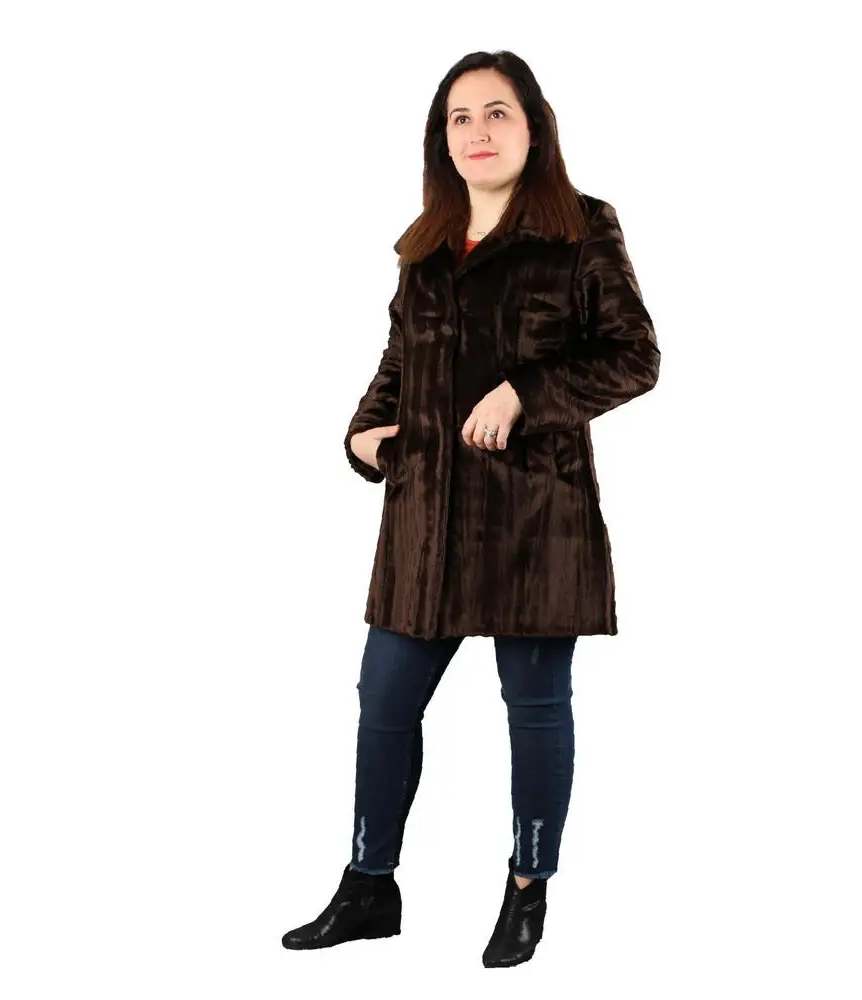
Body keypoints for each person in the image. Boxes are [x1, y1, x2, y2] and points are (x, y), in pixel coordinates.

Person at [281, 49, 660, 968]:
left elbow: (634, 357)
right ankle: (370, 885)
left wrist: (526, 393)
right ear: (441, 139)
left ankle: (528, 888)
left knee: (535, 706)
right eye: (460, 117)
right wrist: (364, 435)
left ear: (533, 127)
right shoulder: (425, 245)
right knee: (384, 700)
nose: (478, 132)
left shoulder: (582, 229)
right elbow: (397, 367)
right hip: (426, 522)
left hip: (535, 520)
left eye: (497, 113)